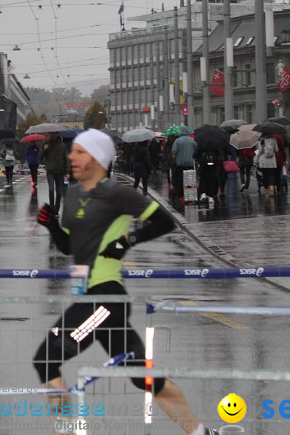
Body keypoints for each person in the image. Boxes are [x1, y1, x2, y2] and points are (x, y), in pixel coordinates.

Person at [34, 130, 222, 434]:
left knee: (45, 359)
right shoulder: (72, 194)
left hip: (105, 299)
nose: (71, 156)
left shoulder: (116, 193)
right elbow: (70, 247)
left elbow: (164, 221)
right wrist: (52, 226)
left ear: (98, 158)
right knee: (143, 378)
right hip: (93, 299)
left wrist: (126, 241)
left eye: (80, 152)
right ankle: (200, 432)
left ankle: (66, 429)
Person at [42, 133, 68, 210]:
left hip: (60, 171)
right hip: (50, 171)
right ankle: (51, 208)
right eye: (51, 134)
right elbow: (40, 157)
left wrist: (67, 171)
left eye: (54, 134)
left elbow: (66, 159)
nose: (52, 135)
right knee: (51, 189)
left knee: (59, 192)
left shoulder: (62, 145)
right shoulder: (46, 144)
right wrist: (44, 150)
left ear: (57, 134)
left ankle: (56, 209)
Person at [170, 133, 196, 201]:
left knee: (180, 179)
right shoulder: (192, 140)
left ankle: (180, 195)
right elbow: (196, 150)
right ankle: (189, 196)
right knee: (189, 180)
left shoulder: (177, 141)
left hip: (180, 164)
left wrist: (175, 158)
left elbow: (174, 151)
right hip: (190, 164)